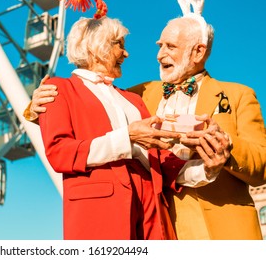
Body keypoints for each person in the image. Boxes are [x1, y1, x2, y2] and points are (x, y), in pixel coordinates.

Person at [36, 16, 230, 240]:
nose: (126, 54)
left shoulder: (133, 99)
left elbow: (160, 160)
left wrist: (207, 169)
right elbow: (60, 153)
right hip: (101, 210)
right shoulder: (58, 89)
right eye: (119, 44)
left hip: (152, 207)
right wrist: (126, 138)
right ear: (95, 45)